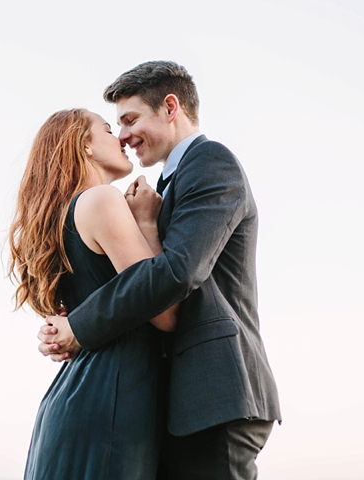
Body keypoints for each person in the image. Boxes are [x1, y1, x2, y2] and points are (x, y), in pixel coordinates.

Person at [37, 61, 282, 480]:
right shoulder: (155, 192)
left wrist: (79, 325)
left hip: (215, 392)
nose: (125, 136)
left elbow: (178, 272)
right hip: (173, 398)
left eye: (130, 120)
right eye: (116, 126)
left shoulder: (211, 163)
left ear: (170, 107)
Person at [8, 108, 178, 479]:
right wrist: (148, 224)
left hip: (78, 399)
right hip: (111, 400)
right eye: (106, 129)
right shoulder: (101, 200)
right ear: (84, 145)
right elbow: (163, 312)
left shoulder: (62, 217)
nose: (121, 137)